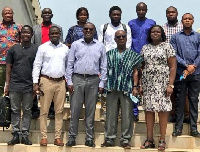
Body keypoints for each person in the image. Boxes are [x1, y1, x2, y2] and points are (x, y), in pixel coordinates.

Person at [66, 22, 107, 147]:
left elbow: (103, 66)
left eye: (91, 29)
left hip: (93, 80)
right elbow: (70, 64)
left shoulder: (100, 46)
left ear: (94, 31)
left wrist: (102, 82)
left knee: (91, 111)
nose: (88, 31)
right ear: (83, 31)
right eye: (86, 29)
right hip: (77, 79)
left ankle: (89, 138)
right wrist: (69, 81)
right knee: (75, 110)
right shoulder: (75, 44)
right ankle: (72, 137)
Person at [101, 30, 142, 149]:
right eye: (118, 36)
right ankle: (109, 138)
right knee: (110, 114)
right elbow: (104, 71)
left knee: (127, 115)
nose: (121, 38)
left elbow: (136, 72)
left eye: (123, 36)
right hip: (112, 87)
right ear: (115, 39)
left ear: (126, 38)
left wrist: (135, 86)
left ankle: (125, 139)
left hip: (127, 88)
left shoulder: (133, 55)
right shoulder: (108, 54)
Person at [140, 25, 176, 150]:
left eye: (158, 32)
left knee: (162, 111)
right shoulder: (145, 48)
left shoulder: (167, 46)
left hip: (163, 83)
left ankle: (162, 139)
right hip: (148, 83)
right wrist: (140, 84)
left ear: (161, 34)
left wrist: (170, 84)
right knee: (149, 110)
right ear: (150, 34)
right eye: (153, 32)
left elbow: (172, 67)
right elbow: (142, 67)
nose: (155, 34)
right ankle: (149, 139)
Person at [32, 26, 69, 146]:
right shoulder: (43, 48)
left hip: (61, 82)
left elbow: (68, 66)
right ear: (49, 35)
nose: (54, 35)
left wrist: (68, 82)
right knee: (44, 110)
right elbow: (37, 65)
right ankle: (44, 137)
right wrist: (35, 83)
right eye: (52, 33)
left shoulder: (65, 48)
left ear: (59, 34)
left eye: (56, 33)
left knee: (59, 111)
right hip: (46, 80)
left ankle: (57, 137)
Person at [5, 25, 37, 145]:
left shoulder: (36, 49)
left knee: (27, 110)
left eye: (28, 32)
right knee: (15, 110)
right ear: (20, 34)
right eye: (23, 32)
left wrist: (36, 84)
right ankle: (15, 134)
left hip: (29, 85)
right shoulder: (13, 49)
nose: (26, 34)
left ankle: (25, 135)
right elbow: (8, 67)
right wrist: (7, 84)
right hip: (15, 84)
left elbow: (38, 67)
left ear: (32, 35)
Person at [98, 6, 131, 121]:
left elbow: (128, 44)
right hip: (107, 60)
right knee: (107, 85)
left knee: (121, 85)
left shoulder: (126, 27)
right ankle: (105, 111)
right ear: (110, 15)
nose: (116, 16)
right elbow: (101, 44)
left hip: (122, 60)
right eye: (114, 14)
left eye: (118, 14)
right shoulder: (104, 27)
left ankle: (121, 112)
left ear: (121, 15)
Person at [171, 13, 200, 137]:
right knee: (180, 100)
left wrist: (193, 66)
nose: (187, 21)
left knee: (194, 101)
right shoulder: (175, 37)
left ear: (193, 21)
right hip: (181, 73)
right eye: (185, 19)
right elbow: (173, 54)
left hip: (196, 73)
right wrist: (186, 66)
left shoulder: (198, 37)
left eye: (189, 19)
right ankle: (178, 128)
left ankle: (194, 129)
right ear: (181, 21)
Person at [32, 8, 63, 119]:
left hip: (52, 59)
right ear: (41, 14)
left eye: (49, 13)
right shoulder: (36, 28)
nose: (47, 14)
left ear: (52, 15)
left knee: (52, 84)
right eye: (45, 13)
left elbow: (61, 43)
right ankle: (34, 109)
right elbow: (33, 44)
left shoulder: (58, 28)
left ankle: (51, 110)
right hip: (39, 58)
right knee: (36, 83)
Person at [128, 2, 156, 121]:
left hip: (148, 56)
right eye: (139, 10)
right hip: (134, 55)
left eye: (143, 10)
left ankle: (150, 110)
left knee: (147, 83)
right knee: (133, 84)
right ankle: (134, 112)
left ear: (146, 10)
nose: (141, 12)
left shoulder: (151, 23)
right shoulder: (131, 23)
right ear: (136, 10)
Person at [0, 6, 22, 96]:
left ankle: (12, 108)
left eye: (9, 13)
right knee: (0, 86)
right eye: (6, 13)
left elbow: (23, 44)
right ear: (2, 15)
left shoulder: (19, 27)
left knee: (14, 86)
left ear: (13, 14)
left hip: (15, 63)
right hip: (1, 62)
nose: (8, 14)